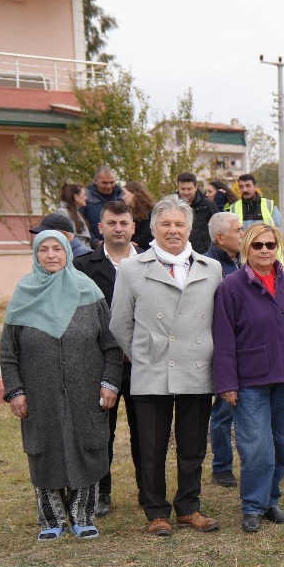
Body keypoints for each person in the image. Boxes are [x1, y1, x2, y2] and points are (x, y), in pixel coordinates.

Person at [109, 195, 224, 537]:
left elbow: (218, 320)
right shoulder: (131, 269)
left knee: (192, 446)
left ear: (190, 228)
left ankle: (189, 507)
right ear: (154, 228)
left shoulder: (211, 268)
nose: (172, 230)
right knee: (151, 446)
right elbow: (119, 324)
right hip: (151, 369)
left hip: (196, 367)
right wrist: (144, 352)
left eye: (179, 224)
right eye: (165, 224)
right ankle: (156, 510)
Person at [0, 230, 122, 540]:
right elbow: (8, 351)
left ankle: (83, 515)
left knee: (87, 446)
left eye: (58, 248)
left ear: (68, 253)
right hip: (40, 395)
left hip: (86, 392)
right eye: (44, 250)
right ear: (36, 256)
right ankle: (51, 519)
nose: (51, 255)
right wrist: (16, 390)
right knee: (45, 449)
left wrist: (110, 382)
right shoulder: (23, 295)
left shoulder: (90, 293)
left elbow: (111, 346)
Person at [213, 222, 284, 535]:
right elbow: (223, 338)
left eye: (270, 245)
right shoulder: (231, 286)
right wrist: (226, 384)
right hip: (250, 380)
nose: (264, 250)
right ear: (246, 248)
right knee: (257, 448)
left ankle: (270, 501)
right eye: (257, 245)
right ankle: (252, 506)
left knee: (279, 444)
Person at [73, 200, 141, 518]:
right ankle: (102, 492)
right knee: (102, 432)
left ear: (133, 227)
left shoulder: (150, 264)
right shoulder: (84, 268)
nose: (118, 228)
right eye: (111, 223)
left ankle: (148, 490)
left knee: (146, 433)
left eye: (124, 223)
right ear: (100, 228)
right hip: (101, 365)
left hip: (143, 364)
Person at [203, 211, 244, 488]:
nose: (243, 235)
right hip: (221, 347)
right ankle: (221, 466)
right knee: (222, 411)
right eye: (238, 231)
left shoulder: (240, 262)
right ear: (221, 237)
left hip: (245, 345)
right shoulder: (207, 267)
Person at [82, 166, 124, 240]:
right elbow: (80, 224)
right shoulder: (85, 197)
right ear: (95, 181)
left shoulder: (122, 196)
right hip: (94, 247)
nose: (109, 186)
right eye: (104, 183)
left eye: (112, 182)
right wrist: (95, 242)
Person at [179, 173, 216, 254]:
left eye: (189, 189)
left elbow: (218, 228)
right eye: (183, 189)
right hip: (178, 250)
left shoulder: (208, 205)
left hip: (204, 252)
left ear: (196, 187)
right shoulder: (171, 205)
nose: (186, 192)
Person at [124, 180, 157, 251]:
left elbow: (148, 233)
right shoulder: (127, 211)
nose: (123, 197)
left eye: (125, 194)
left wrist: (135, 243)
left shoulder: (150, 210)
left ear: (133, 193)